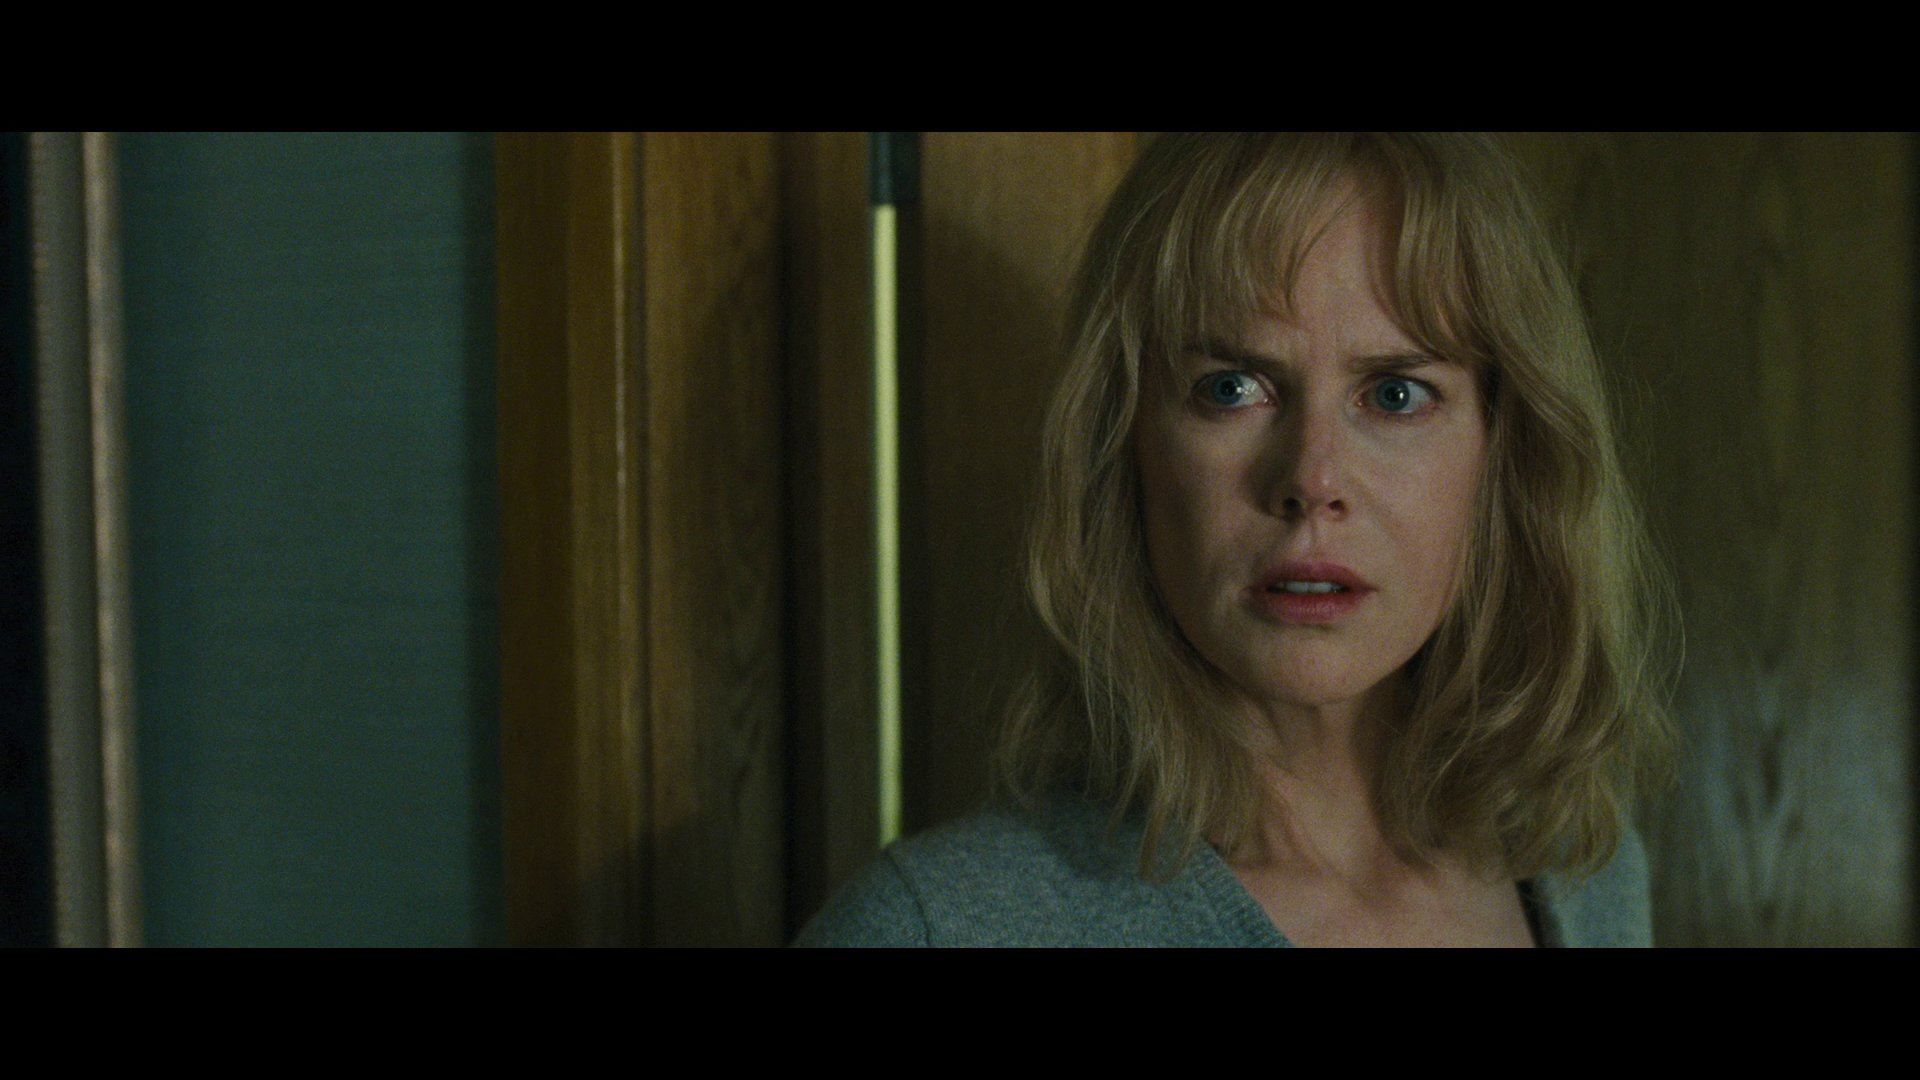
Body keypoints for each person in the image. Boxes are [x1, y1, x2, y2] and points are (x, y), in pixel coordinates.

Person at [798, 133, 1676, 947]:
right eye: (1232, 388)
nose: (1312, 478)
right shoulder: (935, 929)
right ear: (1123, 447)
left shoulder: (1585, 876)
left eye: (1395, 395)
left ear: (1504, 455)